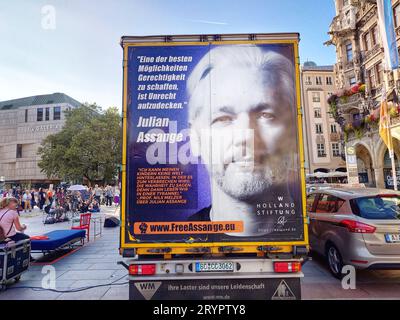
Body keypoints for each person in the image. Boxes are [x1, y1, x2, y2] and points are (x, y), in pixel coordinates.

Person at [186, 45, 300, 237]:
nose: (245, 136)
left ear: (293, 132)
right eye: (223, 119)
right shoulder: (182, 235)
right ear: (195, 139)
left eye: (266, 115)